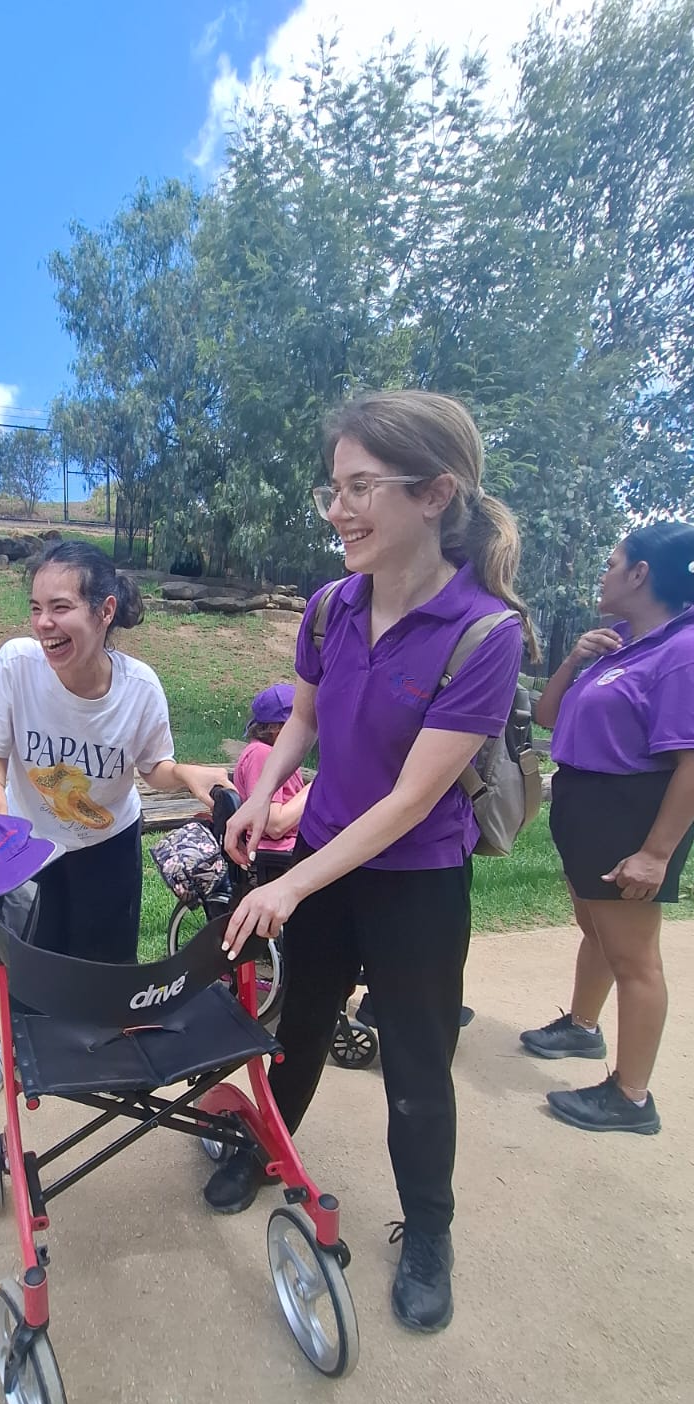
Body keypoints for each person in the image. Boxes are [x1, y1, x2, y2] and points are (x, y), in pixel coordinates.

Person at [219, 389, 536, 1336]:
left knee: (415, 1065)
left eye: (361, 488)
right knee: (295, 1031)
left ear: (436, 493)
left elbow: (410, 802)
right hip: (321, 858)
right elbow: (304, 722)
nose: (338, 510)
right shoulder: (330, 607)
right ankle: (271, 1149)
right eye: (334, 488)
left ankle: (429, 1234)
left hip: (417, 885)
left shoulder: (486, 633)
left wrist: (290, 880)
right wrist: (259, 794)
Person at [0, 538, 231, 1106]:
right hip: (28, 844)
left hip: (108, 844)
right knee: (27, 961)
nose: (43, 624)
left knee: (107, 967)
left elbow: (152, 767)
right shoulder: (16, 665)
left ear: (104, 611)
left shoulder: (139, 689)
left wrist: (187, 775)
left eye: (60, 608)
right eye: (36, 608)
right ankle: (12, 1047)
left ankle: (104, 1050)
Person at [520, 521, 694, 1134]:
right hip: (586, 800)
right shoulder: (620, 641)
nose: (604, 571)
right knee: (593, 926)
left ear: (641, 574)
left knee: (635, 957)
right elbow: (546, 715)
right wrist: (573, 658)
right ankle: (583, 1029)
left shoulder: (682, 650)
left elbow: (692, 761)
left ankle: (632, 1097)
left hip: (632, 810)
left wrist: (655, 852)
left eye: (613, 561)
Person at [231, 683, 311, 880]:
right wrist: (314, 789)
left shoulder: (272, 754)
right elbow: (274, 824)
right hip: (280, 855)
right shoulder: (262, 754)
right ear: (278, 728)